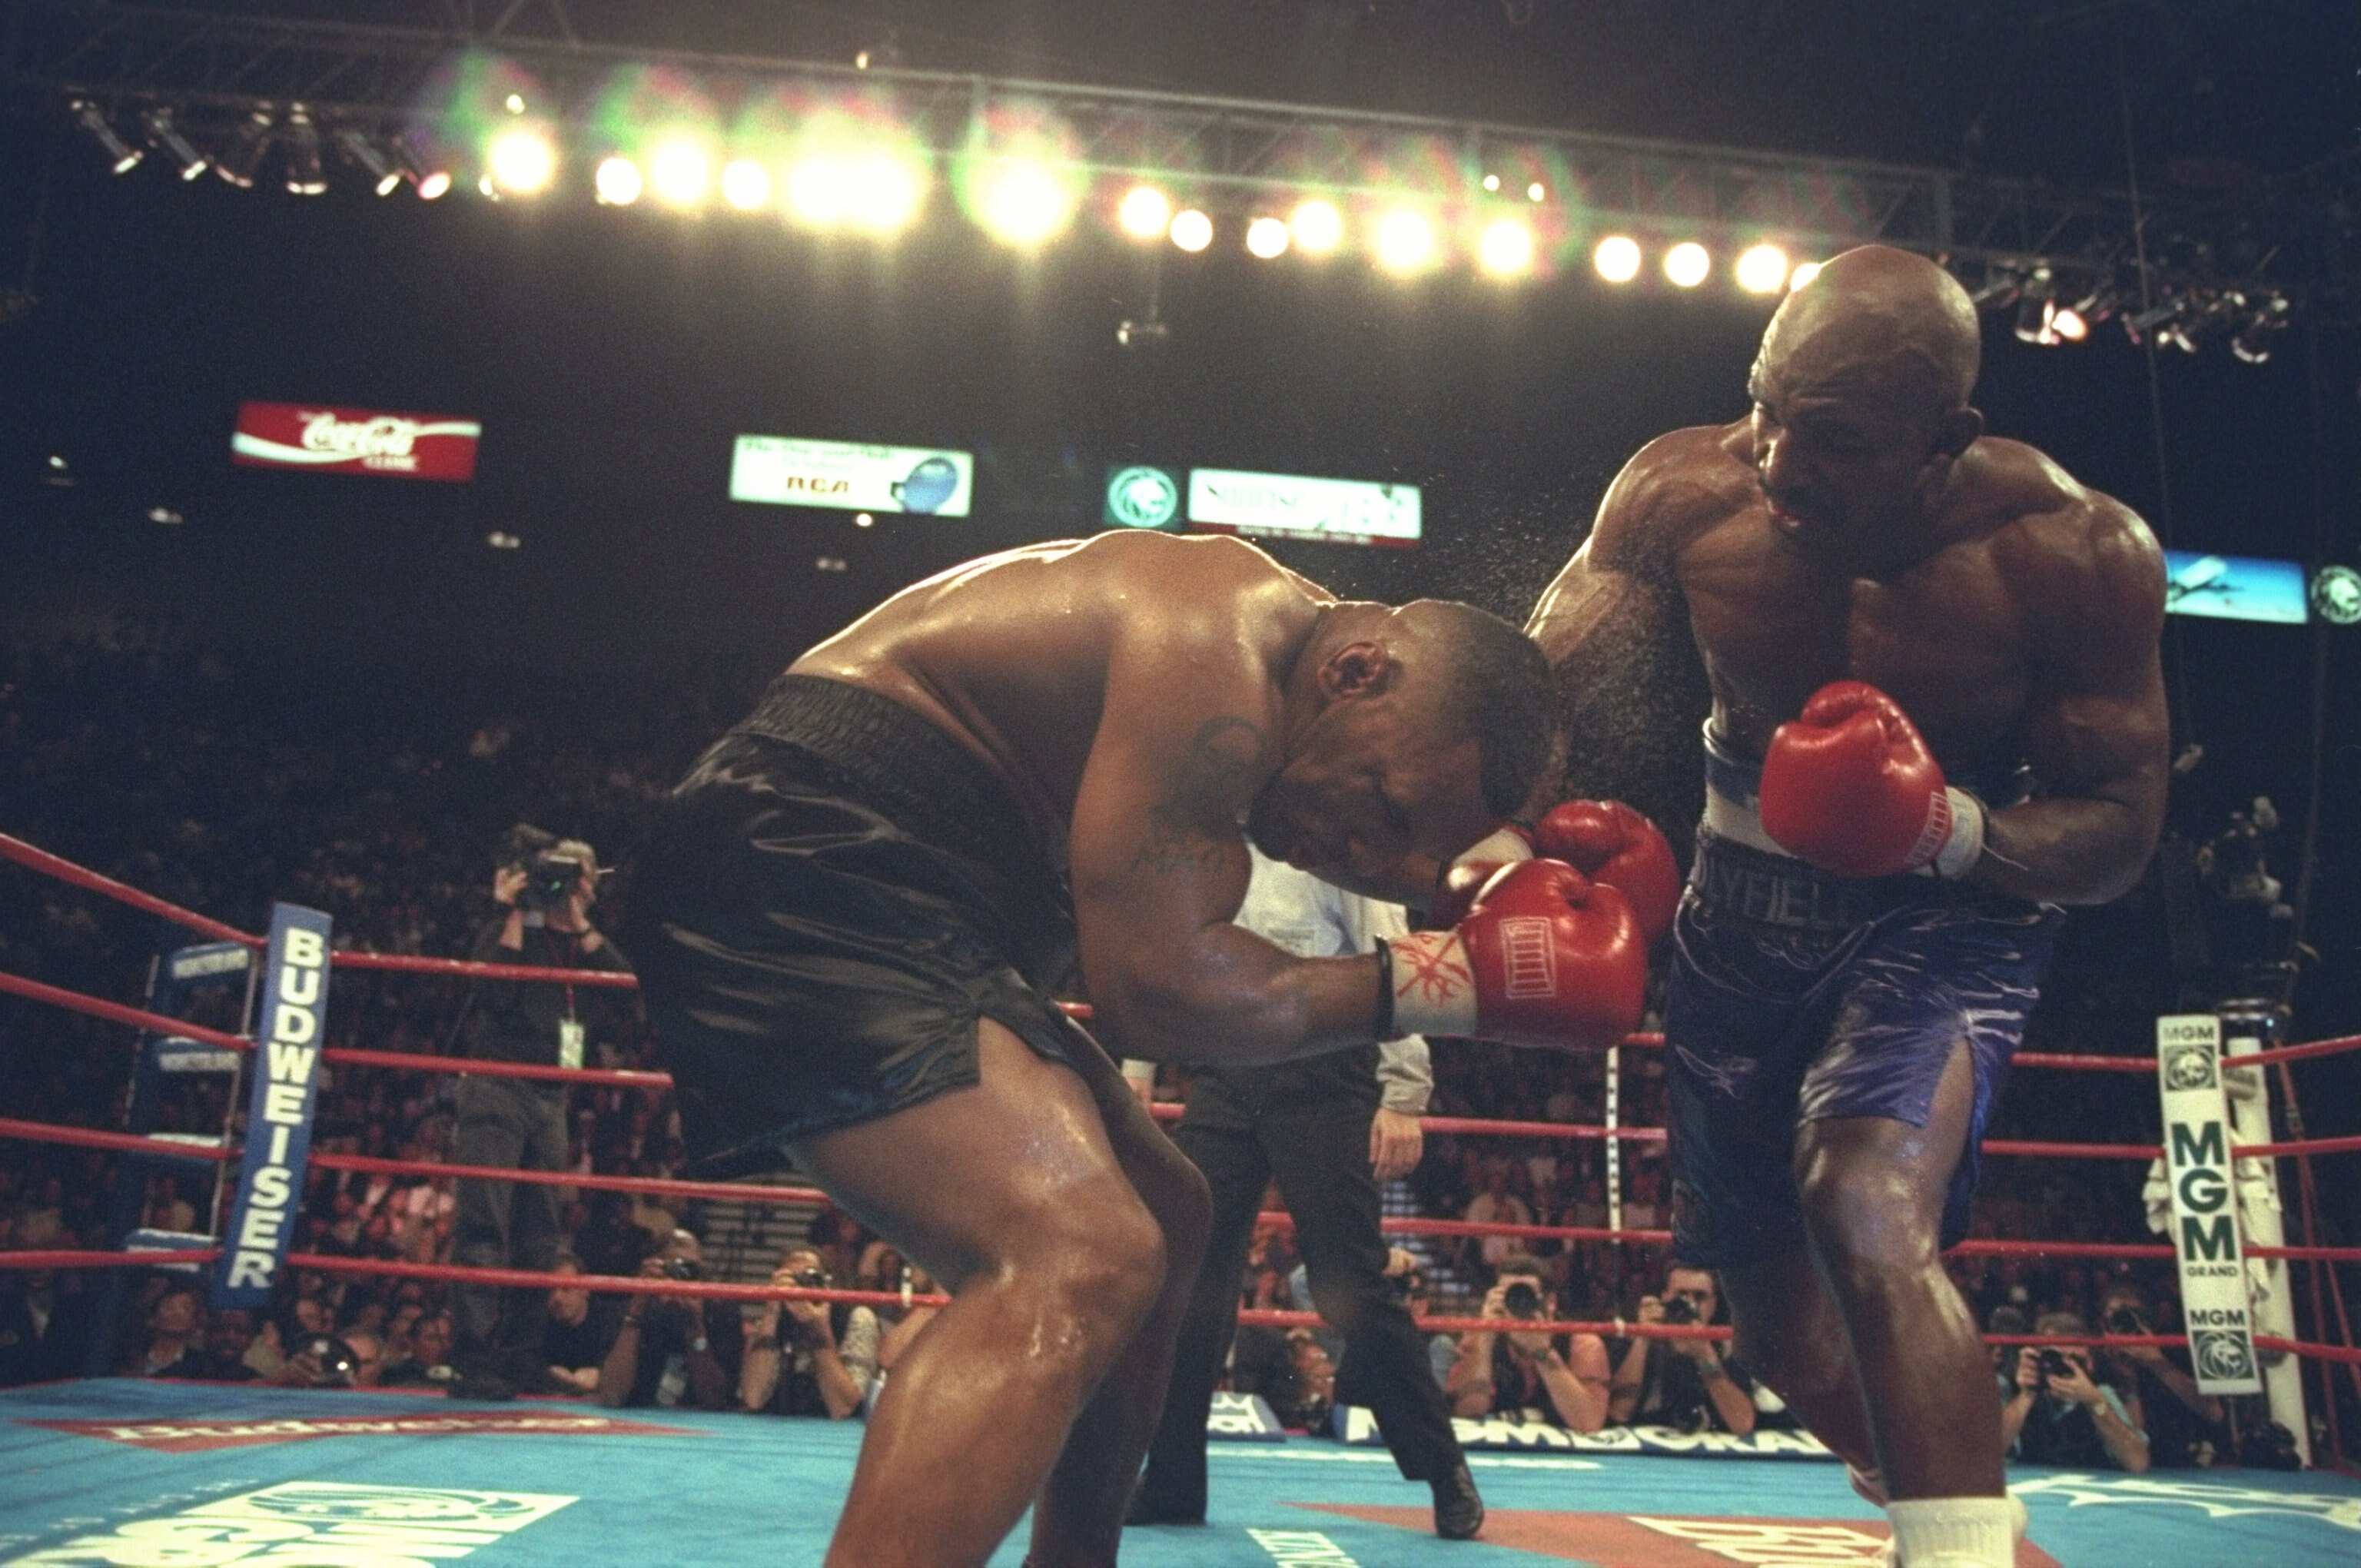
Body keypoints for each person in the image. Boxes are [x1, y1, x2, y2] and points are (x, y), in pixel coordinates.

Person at [626, 530, 1643, 1568]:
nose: (1367, 859)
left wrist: (1508, 871)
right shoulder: (1218, 641)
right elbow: (1157, 994)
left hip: (925, 892)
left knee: (1169, 1216)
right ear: (1353, 673)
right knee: (1080, 1253)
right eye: (1380, 808)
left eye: (1403, 855)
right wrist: (1462, 985)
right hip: (805, 852)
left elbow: (1464, 726)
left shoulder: (1292, 692)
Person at [1525, 244, 2168, 1566]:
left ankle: (1954, 1552)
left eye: (1827, 437)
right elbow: (1530, 698)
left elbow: (2118, 833)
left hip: (1947, 914)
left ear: (1946, 437)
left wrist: (1944, 831)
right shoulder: (1678, 489)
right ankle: (1919, 1472)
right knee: (1769, 1325)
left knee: (1863, 1201)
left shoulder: (2070, 552)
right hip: (1735, 913)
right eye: (1763, 404)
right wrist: (1488, 845)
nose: (1774, 458)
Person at [1124, 846, 1484, 1540]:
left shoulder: (1331, 843)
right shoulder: (1210, 842)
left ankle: (1443, 1470)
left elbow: (1396, 953)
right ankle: (1171, 1481)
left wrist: (1405, 1088)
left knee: (1349, 1282)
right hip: (1229, 1068)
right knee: (1188, 1275)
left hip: (1325, 1073)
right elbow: (1168, 947)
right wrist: (1140, 1059)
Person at [450, 836, 633, 1401]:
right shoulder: (514, 932)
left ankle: (521, 1357)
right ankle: (474, 1361)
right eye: (558, 875)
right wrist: (514, 909)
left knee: (540, 1235)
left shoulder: (583, 944)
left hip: (552, 1098)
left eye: (576, 877)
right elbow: (489, 991)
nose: (564, 886)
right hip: (496, 1087)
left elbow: (623, 989)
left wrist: (578, 915)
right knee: (484, 1223)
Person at [1446, 1252, 1611, 1433]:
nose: (1519, 1303)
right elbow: (1467, 1415)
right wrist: (1485, 1340)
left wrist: (1542, 1353)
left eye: (1527, 1296)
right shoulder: (1480, 1337)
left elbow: (1588, 1423)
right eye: (1509, 1295)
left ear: (1550, 1302)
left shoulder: (1580, 1343)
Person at [595, 1228, 739, 1411]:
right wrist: (636, 1313)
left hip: (698, 1421)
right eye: (672, 1269)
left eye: (689, 1269)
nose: (680, 1277)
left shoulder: (720, 1312)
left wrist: (696, 1327)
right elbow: (611, 1396)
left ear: (702, 1273)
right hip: (639, 1418)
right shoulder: (629, 1310)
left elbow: (714, 1400)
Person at [1605, 1264, 1758, 1434]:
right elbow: (1619, 1413)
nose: (1690, 1304)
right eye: (1681, 1295)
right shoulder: (1634, 1340)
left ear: (1713, 1304)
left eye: (1699, 1297)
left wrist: (1706, 1355)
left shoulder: (1729, 1346)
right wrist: (1643, 1339)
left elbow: (1742, 1424)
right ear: (1665, 1298)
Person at [739, 1247, 879, 1420]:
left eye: (810, 1279)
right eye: (793, 1280)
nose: (801, 1289)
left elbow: (842, 1408)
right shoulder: (773, 1320)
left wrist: (820, 1330)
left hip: (839, 1435)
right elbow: (753, 1399)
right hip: (777, 1431)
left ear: (827, 1284)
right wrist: (771, 1314)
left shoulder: (857, 1319)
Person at [2094, 1283, 2221, 1467]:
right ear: (2103, 1324)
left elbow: (2214, 1412)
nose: (2125, 1321)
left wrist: (2157, 1363)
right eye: (2116, 1316)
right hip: (2110, 1464)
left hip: (2172, 1461)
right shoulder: (2093, 1360)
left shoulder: (2170, 1353)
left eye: (2133, 1315)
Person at [2001, 1317, 2150, 1472]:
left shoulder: (2100, 1396)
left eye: (2074, 1360)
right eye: (2056, 1359)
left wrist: (2094, 1403)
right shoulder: (2016, 1393)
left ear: (2090, 1364)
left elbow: (2138, 1462)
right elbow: (1988, 1457)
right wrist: (2027, 1395)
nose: (2064, 1369)